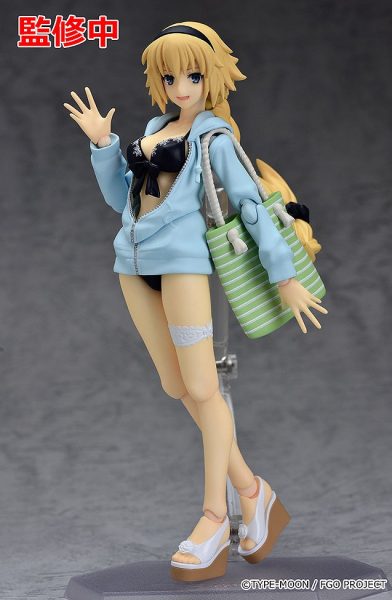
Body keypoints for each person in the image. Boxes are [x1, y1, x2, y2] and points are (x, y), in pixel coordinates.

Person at [64, 21, 328, 582]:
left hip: (183, 265)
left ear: (211, 78)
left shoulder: (216, 141)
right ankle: (253, 491)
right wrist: (103, 146)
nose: (181, 87)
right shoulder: (154, 132)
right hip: (132, 265)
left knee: (204, 387)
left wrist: (284, 275)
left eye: (192, 76)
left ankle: (214, 518)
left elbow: (252, 208)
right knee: (176, 385)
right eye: (169, 77)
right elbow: (120, 199)